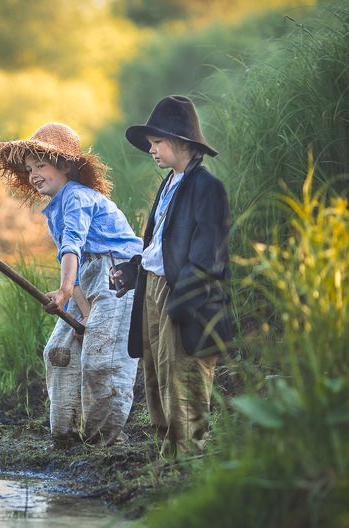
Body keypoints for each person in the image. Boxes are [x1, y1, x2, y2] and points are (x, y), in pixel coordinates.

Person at [0, 122, 143, 447]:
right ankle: (65, 436)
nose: (34, 174)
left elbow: (73, 247)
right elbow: (76, 264)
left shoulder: (79, 197)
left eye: (41, 165)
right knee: (59, 352)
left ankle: (104, 439)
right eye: (29, 168)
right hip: (90, 278)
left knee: (102, 359)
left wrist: (65, 290)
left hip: (120, 275)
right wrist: (82, 316)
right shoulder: (55, 208)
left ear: (66, 165)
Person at [111, 95, 234, 458]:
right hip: (154, 289)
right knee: (157, 375)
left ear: (182, 142)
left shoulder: (208, 188)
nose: (152, 150)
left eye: (158, 142)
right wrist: (134, 271)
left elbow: (207, 254)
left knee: (183, 375)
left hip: (184, 296)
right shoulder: (169, 184)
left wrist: (183, 301)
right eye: (151, 144)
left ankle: (189, 458)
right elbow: (161, 245)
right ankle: (167, 455)